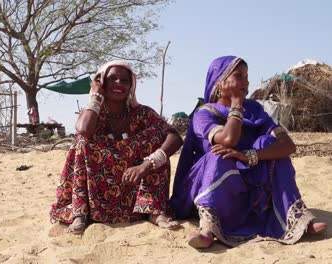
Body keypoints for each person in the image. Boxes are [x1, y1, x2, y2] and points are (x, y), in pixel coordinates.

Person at [169, 55, 328, 249]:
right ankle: (208, 228)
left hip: (247, 176)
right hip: (210, 181)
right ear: (220, 81)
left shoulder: (254, 109)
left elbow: (288, 145)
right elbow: (229, 139)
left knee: (269, 144)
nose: (246, 82)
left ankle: (297, 220)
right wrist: (236, 104)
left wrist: (250, 156)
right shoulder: (205, 113)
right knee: (220, 153)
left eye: (247, 76)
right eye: (239, 76)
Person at [50, 60, 183, 234]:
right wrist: (96, 96)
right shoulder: (94, 112)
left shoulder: (142, 113)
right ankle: (80, 214)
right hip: (101, 191)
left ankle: (153, 211)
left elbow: (175, 137)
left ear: (131, 85)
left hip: (133, 185)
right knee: (82, 141)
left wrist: (146, 165)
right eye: (112, 79)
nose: (119, 84)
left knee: (158, 141)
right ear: (102, 82)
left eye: (124, 80)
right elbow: (83, 129)